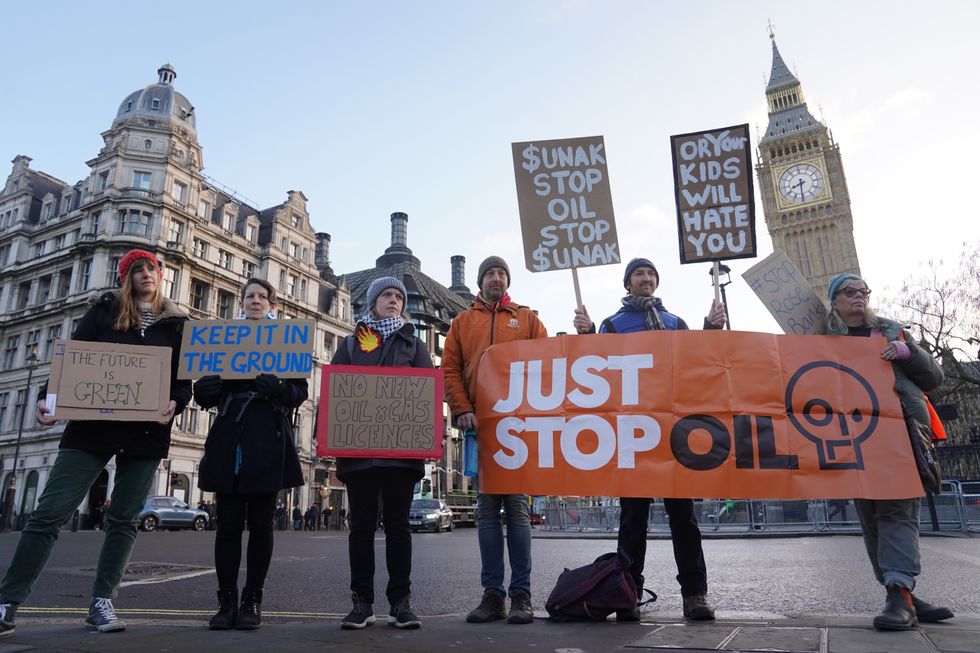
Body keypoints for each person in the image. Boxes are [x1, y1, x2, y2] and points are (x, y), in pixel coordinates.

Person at [0, 249, 190, 638]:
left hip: (146, 432)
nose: (144, 274)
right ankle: (8, 600)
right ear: (126, 278)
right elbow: (71, 359)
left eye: (150, 268)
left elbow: (184, 380)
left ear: (161, 275)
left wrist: (177, 400)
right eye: (136, 270)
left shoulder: (178, 326)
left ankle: (102, 600)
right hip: (91, 428)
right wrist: (47, 398)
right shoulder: (104, 312)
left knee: (124, 519)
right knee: (49, 513)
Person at [573, 257, 725, 622]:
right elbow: (597, 368)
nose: (645, 278)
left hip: (673, 435)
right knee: (632, 519)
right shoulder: (613, 324)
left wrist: (710, 328)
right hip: (632, 436)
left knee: (683, 519)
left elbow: (696, 362)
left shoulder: (675, 323)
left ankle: (695, 595)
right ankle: (628, 595)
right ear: (628, 284)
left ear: (656, 282)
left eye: (650, 274)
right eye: (639, 273)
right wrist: (588, 334)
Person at [822, 273, 953, 630]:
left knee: (897, 510)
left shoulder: (891, 331)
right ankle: (900, 590)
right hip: (852, 435)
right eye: (849, 292)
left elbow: (934, 379)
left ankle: (900, 593)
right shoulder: (822, 340)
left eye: (863, 291)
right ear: (834, 301)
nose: (859, 297)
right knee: (870, 516)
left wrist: (909, 354)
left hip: (900, 430)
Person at [193, 277, 307, 631]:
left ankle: (252, 600)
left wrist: (281, 387)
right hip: (230, 436)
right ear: (241, 303)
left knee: (261, 524)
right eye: (249, 296)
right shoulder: (223, 337)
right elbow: (204, 392)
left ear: (272, 305)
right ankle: (226, 601)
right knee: (226, 525)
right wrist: (205, 389)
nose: (255, 301)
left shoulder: (287, 340)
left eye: (262, 297)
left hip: (267, 435)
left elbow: (299, 392)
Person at [442, 256, 548, 625]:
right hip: (479, 426)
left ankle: (522, 595)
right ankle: (493, 595)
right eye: (490, 273)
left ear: (508, 281)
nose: (497, 278)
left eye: (502, 273)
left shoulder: (528, 318)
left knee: (517, 509)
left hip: (517, 427)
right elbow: (450, 369)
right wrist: (461, 408)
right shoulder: (462, 321)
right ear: (480, 281)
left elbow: (547, 364)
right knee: (487, 511)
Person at [331, 276, 431, 630]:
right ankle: (362, 603)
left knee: (399, 527)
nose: (394, 300)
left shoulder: (415, 346)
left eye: (398, 296)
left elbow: (426, 399)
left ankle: (401, 603)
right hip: (359, 454)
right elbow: (335, 392)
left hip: (401, 455)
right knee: (360, 527)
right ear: (373, 302)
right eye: (386, 295)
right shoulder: (350, 343)